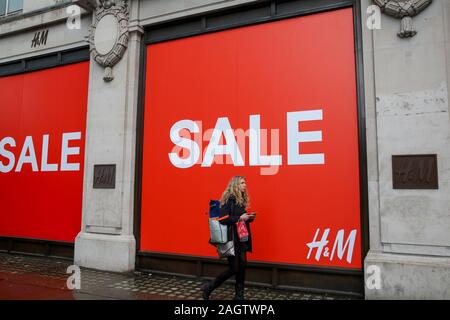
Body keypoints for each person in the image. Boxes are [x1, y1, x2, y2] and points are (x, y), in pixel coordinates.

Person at [202, 176, 256, 300]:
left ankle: (239, 296)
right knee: (234, 268)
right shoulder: (229, 200)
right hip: (232, 239)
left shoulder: (240, 200)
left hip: (241, 237)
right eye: (242, 183)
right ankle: (209, 287)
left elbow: (239, 218)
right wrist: (240, 218)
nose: (245, 185)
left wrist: (248, 218)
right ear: (235, 184)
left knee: (242, 266)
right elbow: (224, 219)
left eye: (245, 182)